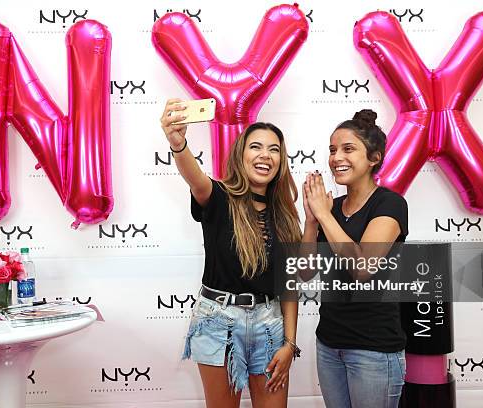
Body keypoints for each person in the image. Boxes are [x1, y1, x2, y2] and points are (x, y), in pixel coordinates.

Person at [160, 99, 302, 408]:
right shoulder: (219, 196)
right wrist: (178, 144)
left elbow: (290, 284)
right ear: (241, 154)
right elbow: (195, 178)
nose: (265, 155)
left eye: (274, 149)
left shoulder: (286, 214)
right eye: (256, 147)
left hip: (270, 323)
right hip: (218, 322)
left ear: (281, 160)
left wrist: (290, 343)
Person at [301, 109, 408, 408]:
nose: (336, 158)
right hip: (329, 344)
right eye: (333, 150)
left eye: (348, 149)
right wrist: (312, 221)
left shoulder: (390, 204)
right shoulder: (330, 209)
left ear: (374, 158)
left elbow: (363, 268)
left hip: (374, 349)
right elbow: (305, 273)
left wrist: (324, 215)